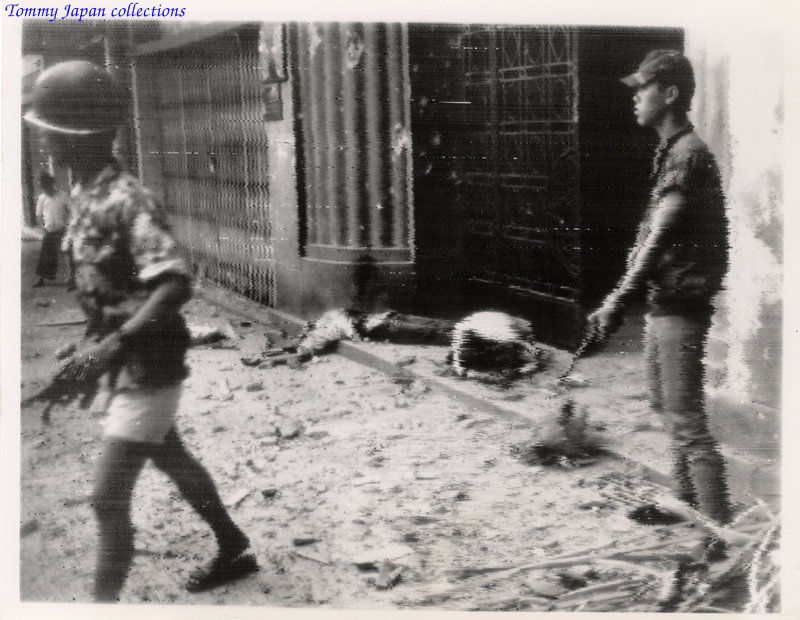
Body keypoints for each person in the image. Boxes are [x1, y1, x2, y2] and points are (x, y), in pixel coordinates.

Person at [24, 60, 257, 602]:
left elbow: (174, 283)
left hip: (149, 364)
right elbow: (112, 287)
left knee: (106, 500)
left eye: (52, 135)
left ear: (85, 138)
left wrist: (115, 340)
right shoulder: (82, 195)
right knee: (171, 455)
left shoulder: (127, 199)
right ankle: (233, 543)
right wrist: (89, 339)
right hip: (124, 360)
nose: (45, 146)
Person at [585, 50, 733, 527]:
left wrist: (614, 301)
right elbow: (650, 233)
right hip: (665, 301)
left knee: (687, 421)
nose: (634, 97)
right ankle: (686, 504)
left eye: (642, 88)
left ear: (669, 93)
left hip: (680, 304)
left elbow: (659, 237)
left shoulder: (688, 155)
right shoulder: (671, 151)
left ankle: (718, 536)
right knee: (665, 406)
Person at [32, 171, 73, 288]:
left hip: (63, 229)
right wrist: (42, 228)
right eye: (42, 186)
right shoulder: (41, 198)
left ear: (51, 183)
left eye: (46, 185)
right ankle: (41, 278)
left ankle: (71, 278)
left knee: (67, 253)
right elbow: (38, 215)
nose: (45, 188)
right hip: (49, 230)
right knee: (46, 255)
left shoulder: (63, 196)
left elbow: (72, 210)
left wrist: (69, 224)